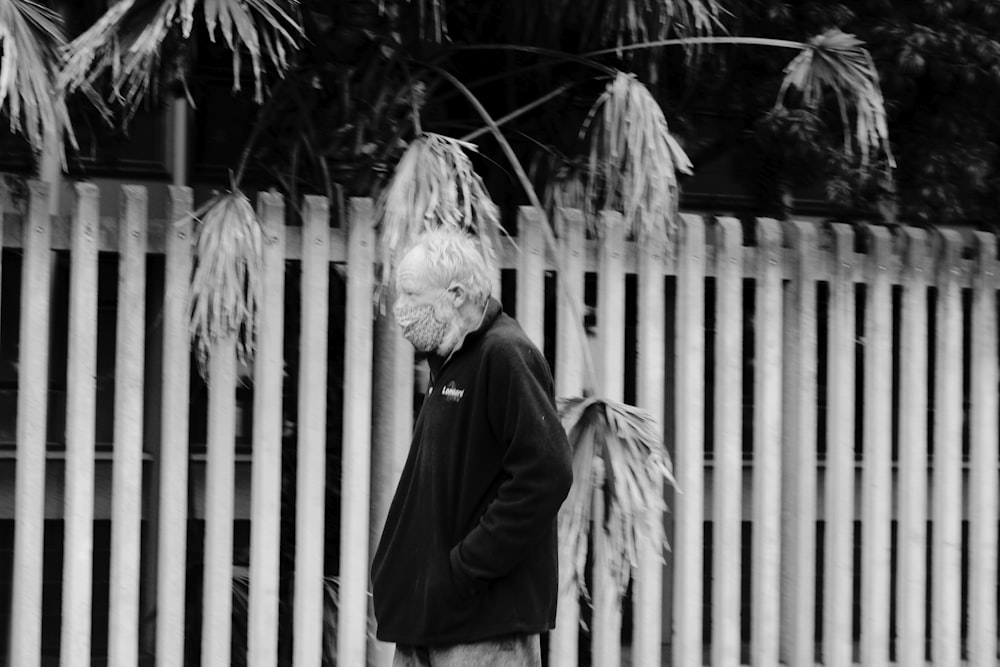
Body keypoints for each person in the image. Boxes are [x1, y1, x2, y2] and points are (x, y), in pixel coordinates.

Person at [371, 227, 574, 667]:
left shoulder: (506, 354)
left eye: (410, 295)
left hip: (484, 629)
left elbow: (547, 474)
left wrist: (463, 570)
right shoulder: (450, 360)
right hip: (432, 620)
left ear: (455, 295)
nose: (398, 310)